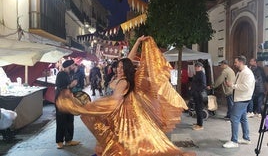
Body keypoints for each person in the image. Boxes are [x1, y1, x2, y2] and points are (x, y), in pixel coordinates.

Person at [56, 36, 195, 156]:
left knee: (128, 146)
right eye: (118, 67)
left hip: (124, 118)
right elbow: (128, 59)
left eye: (122, 68)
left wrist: (88, 107)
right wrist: (138, 42)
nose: (119, 69)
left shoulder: (123, 81)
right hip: (119, 116)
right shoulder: (120, 77)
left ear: (126, 70)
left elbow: (114, 102)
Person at [223, 55, 255, 148]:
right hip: (240, 98)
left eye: (236, 62)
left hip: (243, 99)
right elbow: (238, 84)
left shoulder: (247, 73)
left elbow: (245, 87)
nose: (234, 64)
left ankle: (234, 141)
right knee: (243, 119)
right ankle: (246, 138)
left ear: (241, 62)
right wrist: (231, 84)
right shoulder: (240, 72)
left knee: (234, 119)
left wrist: (233, 86)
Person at [54, 59, 80, 149]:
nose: (74, 67)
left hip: (68, 100)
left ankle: (68, 140)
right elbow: (60, 86)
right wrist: (70, 86)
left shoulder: (69, 74)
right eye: (73, 66)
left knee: (70, 120)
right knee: (61, 121)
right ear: (69, 67)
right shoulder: (60, 74)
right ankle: (59, 141)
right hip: (61, 101)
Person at [189, 61, 207, 130]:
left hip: (199, 95)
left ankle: (200, 125)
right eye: (196, 67)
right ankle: (198, 123)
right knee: (197, 109)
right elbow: (196, 83)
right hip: (196, 94)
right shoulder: (197, 73)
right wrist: (192, 87)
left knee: (199, 109)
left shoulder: (201, 74)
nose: (196, 68)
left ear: (201, 67)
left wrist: (195, 89)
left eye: (198, 67)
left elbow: (203, 85)